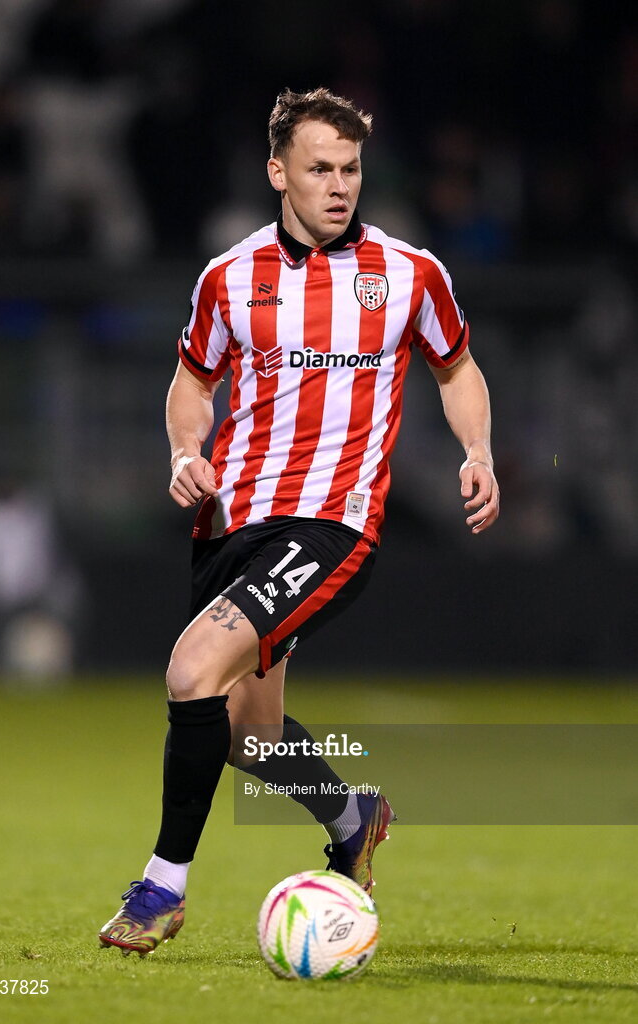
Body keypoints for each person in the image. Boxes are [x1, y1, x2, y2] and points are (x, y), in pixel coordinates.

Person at [99, 87, 499, 956]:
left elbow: (456, 367)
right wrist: (181, 454)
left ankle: (161, 889)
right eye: (319, 168)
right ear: (278, 171)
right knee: (252, 739)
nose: (338, 185)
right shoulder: (229, 277)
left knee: (190, 668)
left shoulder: (408, 273)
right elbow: (192, 384)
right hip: (230, 522)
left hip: (331, 523)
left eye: (350, 169)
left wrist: (478, 452)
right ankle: (354, 817)